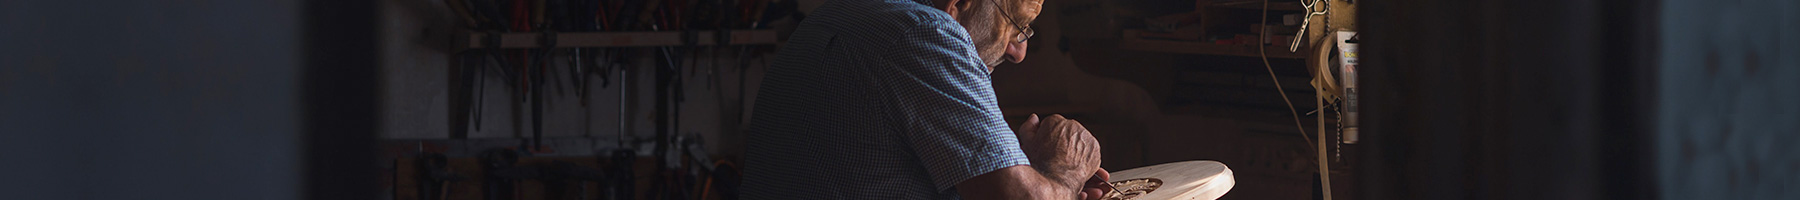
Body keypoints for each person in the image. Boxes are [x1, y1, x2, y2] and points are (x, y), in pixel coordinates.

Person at [741, 0, 1113, 199]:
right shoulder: (927, 33)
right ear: (959, 3)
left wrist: (1027, 174)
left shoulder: (834, 16)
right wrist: (1064, 173)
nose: (1019, 52)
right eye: (1017, 25)